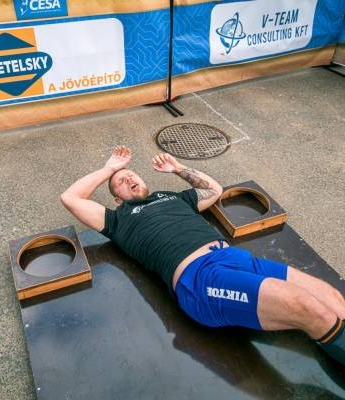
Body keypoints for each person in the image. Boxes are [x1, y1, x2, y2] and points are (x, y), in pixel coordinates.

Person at [61, 145, 345, 366]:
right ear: (117, 198)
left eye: (131, 174)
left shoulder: (172, 197)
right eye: (121, 182)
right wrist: (110, 168)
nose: (128, 178)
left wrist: (177, 168)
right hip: (200, 278)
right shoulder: (117, 220)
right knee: (308, 307)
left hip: (236, 259)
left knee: (329, 295)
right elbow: (70, 198)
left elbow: (213, 190)